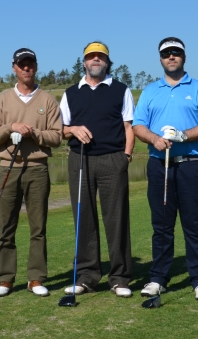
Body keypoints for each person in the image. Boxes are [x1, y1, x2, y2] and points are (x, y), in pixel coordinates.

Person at [132, 37, 198, 301]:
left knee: (193, 225)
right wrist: (154, 139)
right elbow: (138, 126)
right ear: (160, 59)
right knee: (162, 226)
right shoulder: (150, 91)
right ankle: (158, 278)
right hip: (159, 165)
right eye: (167, 53)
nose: (171, 57)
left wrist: (183, 135)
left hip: (191, 165)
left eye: (176, 53)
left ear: (184, 57)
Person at [60, 41, 135, 298]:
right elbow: (60, 129)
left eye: (100, 57)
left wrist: (125, 157)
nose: (95, 60)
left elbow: (129, 128)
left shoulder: (121, 90)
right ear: (83, 62)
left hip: (113, 159)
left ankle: (120, 277)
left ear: (107, 61)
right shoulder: (71, 93)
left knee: (116, 219)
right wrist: (73, 130)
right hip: (80, 159)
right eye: (91, 57)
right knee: (84, 218)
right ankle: (87, 276)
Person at [0, 48, 62, 298]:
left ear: (35, 67)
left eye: (30, 64)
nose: (26, 68)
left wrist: (33, 134)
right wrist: (11, 127)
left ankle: (36, 278)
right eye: (22, 64)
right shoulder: (3, 100)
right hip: (8, 168)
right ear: (14, 68)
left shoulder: (47, 100)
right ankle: (6, 279)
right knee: (6, 226)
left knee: (38, 227)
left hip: (38, 170)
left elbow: (57, 137)